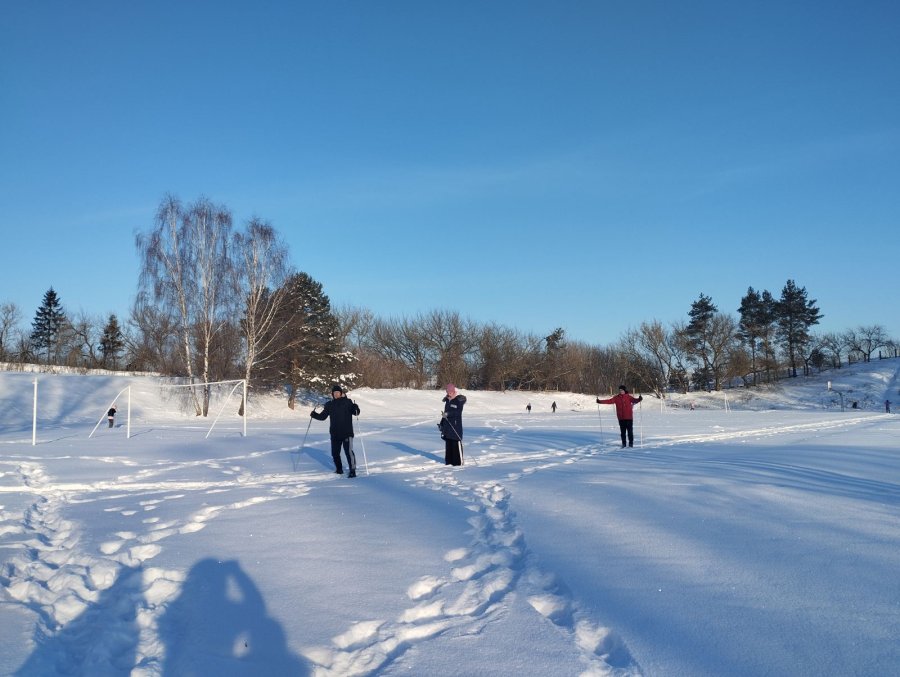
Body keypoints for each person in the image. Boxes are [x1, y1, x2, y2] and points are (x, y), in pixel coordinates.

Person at [310, 384, 361, 477]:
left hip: (347, 433)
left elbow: (356, 413)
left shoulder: (348, 402)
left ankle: (352, 470)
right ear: (332, 394)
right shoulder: (330, 404)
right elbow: (323, 417)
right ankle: (339, 469)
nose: (336, 394)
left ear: (341, 393)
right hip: (335, 433)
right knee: (335, 453)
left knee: (349, 452)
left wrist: (356, 407)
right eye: (334, 393)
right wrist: (314, 415)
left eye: (338, 392)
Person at [439, 383, 466, 466]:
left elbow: (457, 412)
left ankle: (458, 463)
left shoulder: (458, 400)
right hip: (447, 427)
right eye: (447, 392)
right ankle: (449, 462)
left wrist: (448, 414)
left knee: (455, 444)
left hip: (455, 427)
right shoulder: (447, 400)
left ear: (454, 391)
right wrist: (442, 423)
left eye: (450, 391)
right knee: (448, 444)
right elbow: (445, 413)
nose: (449, 393)